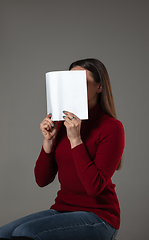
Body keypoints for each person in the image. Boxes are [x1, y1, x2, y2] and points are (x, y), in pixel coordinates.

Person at [0, 58, 125, 240]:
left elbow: (94, 187)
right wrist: (48, 142)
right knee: (4, 234)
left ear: (99, 86)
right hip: (63, 210)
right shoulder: (62, 123)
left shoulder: (112, 127)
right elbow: (42, 180)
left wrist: (76, 139)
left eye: (81, 82)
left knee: (25, 233)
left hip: (99, 217)